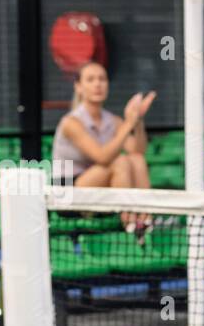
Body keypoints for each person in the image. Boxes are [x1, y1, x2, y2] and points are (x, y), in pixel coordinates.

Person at [49, 61, 156, 231]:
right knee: (119, 161)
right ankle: (130, 223)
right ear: (78, 86)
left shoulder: (113, 120)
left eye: (102, 79)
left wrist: (137, 121)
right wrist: (128, 123)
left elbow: (138, 151)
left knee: (135, 160)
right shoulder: (71, 123)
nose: (97, 84)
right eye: (90, 80)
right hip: (68, 193)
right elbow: (102, 157)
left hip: (101, 185)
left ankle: (145, 221)